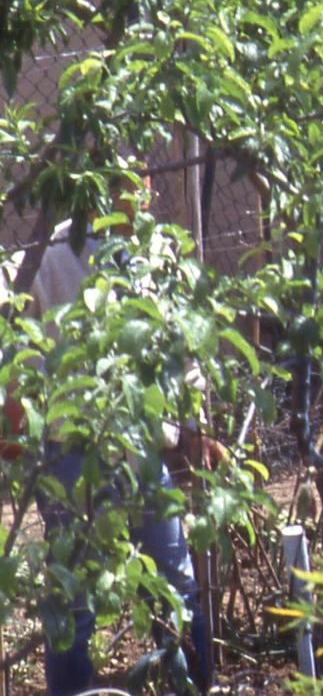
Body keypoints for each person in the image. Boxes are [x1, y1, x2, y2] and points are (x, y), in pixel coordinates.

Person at [0, 178, 219, 696]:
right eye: (124, 177)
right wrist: (12, 395)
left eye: (142, 176)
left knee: (176, 580)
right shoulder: (52, 250)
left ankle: (194, 687)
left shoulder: (159, 250)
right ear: (94, 185)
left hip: (146, 451)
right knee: (75, 600)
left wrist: (197, 429)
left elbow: (187, 354)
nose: (141, 188)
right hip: (72, 451)